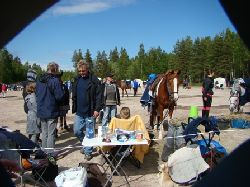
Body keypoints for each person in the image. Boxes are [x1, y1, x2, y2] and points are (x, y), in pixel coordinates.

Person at [72, 60, 102, 160]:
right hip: (79, 111)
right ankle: (86, 145)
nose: (81, 73)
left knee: (90, 132)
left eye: (83, 71)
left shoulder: (94, 80)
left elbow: (99, 96)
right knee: (76, 131)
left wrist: (97, 109)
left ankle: (88, 152)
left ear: (87, 69)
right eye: (79, 71)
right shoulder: (77, 79)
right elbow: (74, 95)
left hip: (90, 111)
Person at [36, 62, 64, 154]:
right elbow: (59, 96)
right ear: (55, 70)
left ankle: (44, 152)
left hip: (42, 109)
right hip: (51, 109)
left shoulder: (39, 80)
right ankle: (50, 154)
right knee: (50, 133)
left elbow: (37, 94)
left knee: (44, 133)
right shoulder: (54, 80)